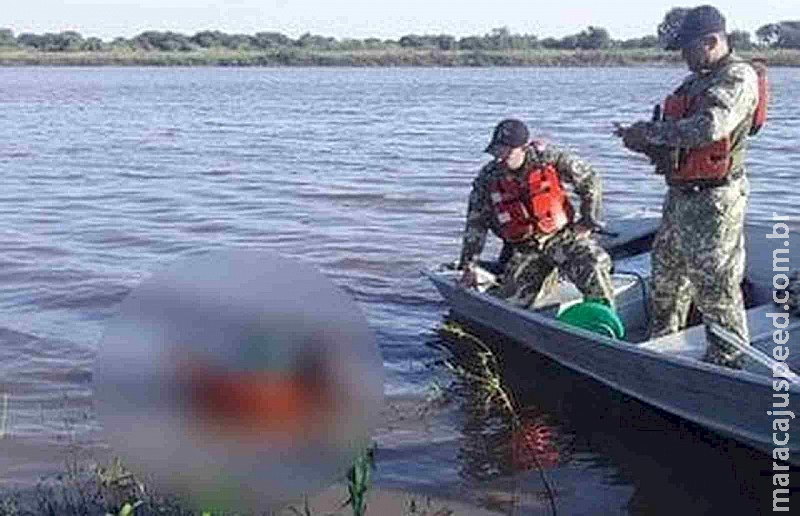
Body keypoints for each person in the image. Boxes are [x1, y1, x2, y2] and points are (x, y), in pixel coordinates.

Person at [615, 5, 767, 368]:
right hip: (681, 197)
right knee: (666, 276)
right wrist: (642, 140)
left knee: (716, 288)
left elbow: (710, 128)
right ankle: (662, 348)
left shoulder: (737, 77)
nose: (683, 57)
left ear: (712, 41)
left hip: (715, 201)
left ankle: (727, 365)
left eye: (687, 48)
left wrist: (650, 133)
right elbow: (677, 134)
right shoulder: (694, 81)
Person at [457, 118, 614, 309]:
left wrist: (589, 220)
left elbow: (590, 179)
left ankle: (601, 316)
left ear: (523, 148)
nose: (500, 157)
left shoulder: (549, 159)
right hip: (525, 248)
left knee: (594, 263)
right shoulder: (488, 178)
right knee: (508, 303)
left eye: (508, 151)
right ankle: (546, 283)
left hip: (561, 237)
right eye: (497, 151)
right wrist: (469, 265)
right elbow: (476, 222)